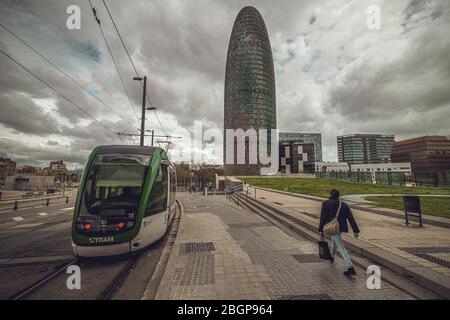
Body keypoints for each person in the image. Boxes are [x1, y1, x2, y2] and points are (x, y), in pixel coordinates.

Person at [319, 189, 360, 277]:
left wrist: (320, 228)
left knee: (341, 247)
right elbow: (351, 218)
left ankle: (350, 267)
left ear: (330, 195)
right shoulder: (344, 205)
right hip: (340, 227)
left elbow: (323, 217)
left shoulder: (326, 203)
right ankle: (332, 256)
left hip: (332, 227)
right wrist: (355, 230)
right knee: (335, 241)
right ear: (338, 196)